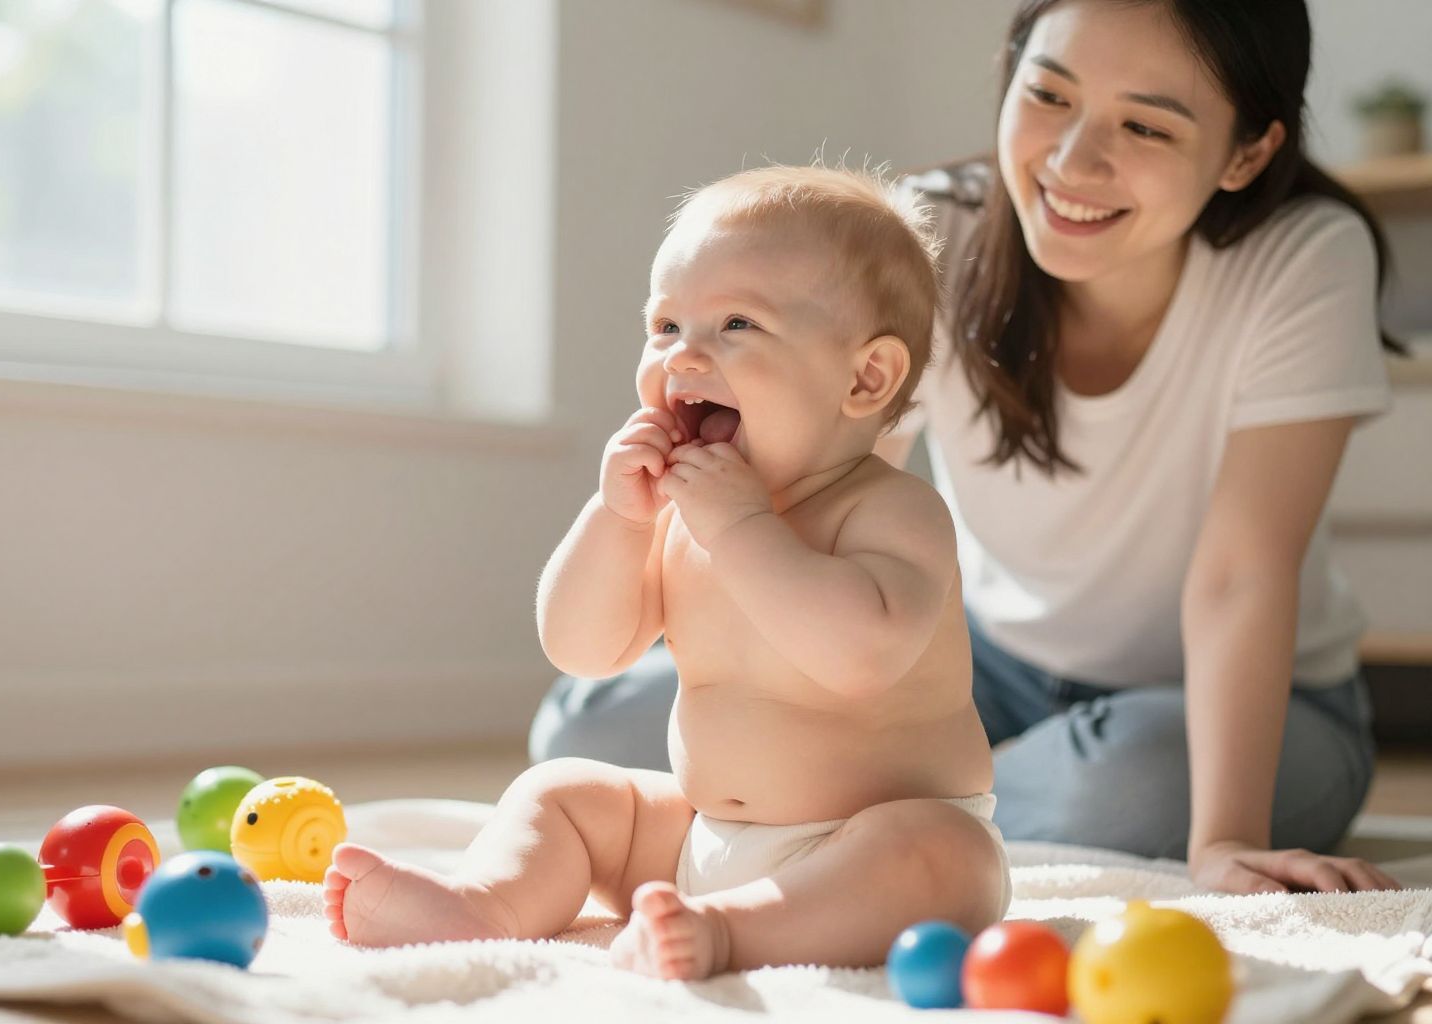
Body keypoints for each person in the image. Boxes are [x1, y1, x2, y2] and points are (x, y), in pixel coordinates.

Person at [530, 0, 1406, 897]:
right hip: (967, 662)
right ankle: (910, 801)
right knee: (595, 728)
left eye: (1143, 123)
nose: (1072, 162)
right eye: (1050, 95)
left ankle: (918, 813)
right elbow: (834, 475)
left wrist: (1222, 841)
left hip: (1202, 700)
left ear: (1248, 153)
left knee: (1133, 789)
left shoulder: (1304, 255)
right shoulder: (928, 231)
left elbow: (1242, 572)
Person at [322, 165, 1012, 977]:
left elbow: (857, 656)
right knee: (566, 792)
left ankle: (729, 934)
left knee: (944, 855)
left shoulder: (891, 511)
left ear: (865, 378)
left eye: (736, 326)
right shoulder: (683, 512)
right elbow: (583, 648)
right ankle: (484, 904)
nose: (683, 356)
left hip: (864, 844)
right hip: (697, 832)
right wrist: (618, 518)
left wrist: (745, 527)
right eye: (664, 326)